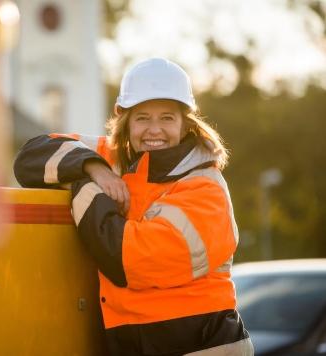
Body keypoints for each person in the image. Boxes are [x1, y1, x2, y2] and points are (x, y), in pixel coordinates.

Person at [14, 58, 253, 355]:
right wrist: (93, 167)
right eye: (142, 118)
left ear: (185, 123)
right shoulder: (113, 159)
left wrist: (82, 186)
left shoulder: (206, 190)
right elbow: (29, 158)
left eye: (167, 118)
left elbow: (125, 259)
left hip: (203, 346)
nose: (154, 131)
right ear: (126, 121)